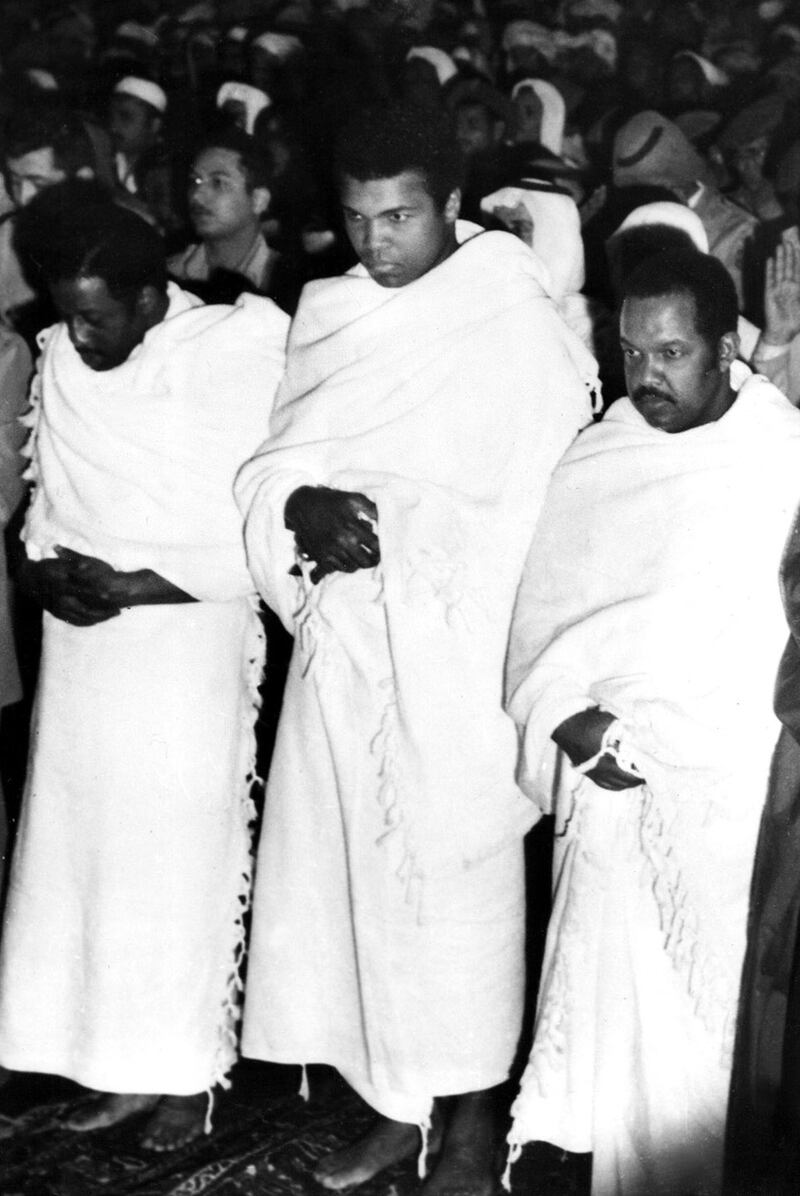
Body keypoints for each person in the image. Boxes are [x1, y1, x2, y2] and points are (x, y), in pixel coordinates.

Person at [235, 101, 598, 1196]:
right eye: (356, 219)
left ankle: (473, 1111)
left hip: (463, 650)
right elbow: (271, 463)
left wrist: (406, 534)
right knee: (361, 878)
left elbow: (546, 506)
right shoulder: (333, 310)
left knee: (459, 886)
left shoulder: (511, 317)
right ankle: (396, 1101)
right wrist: (300, 508)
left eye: (398, 217)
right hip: (348, 646)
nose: (374, 242)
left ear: (449, 203)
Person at [503, 249, 800, 1196]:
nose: (647, 376)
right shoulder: (602, 455)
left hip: (727, 793)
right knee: (622, 1040)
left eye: (671, 353)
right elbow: (542, 624)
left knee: (711, 1044)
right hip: (611, 786)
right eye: (632, 352)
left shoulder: (779, 455)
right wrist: (565, 717)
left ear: (724, 350)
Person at [0, 184, 289, 1151]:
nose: (80, 338)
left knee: (175, 865)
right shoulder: (60, 356)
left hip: (184, 645)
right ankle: (115, 1064)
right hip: (86, 644)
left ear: (154, 295)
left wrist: (139, 585)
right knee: (87, 859)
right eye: (69, 315)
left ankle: (186, 1076)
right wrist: (39, 570)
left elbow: (255, 535)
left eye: (97, 317)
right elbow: (47, 497)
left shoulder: (230, 352)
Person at [167, 127, 278, 301]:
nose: (196, 195)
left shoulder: (285, 280)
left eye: (218, 182)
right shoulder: (172, 277)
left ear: (258, 200)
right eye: (195, 181)